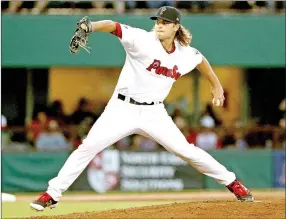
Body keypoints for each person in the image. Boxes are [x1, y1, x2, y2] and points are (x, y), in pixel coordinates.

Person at [30, 6, 253, 211]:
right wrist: (92, 26)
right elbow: (114, 26)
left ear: (176, 27)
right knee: (87, 147)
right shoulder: (142, 39)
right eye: (158, 21)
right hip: (121, 108)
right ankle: (52, 194)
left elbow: (200, 60)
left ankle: (233, 184)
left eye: (165, 22)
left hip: (154, 113)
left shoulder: (185, 53)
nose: (159, 24)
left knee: (186, 151)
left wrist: (216, 85)